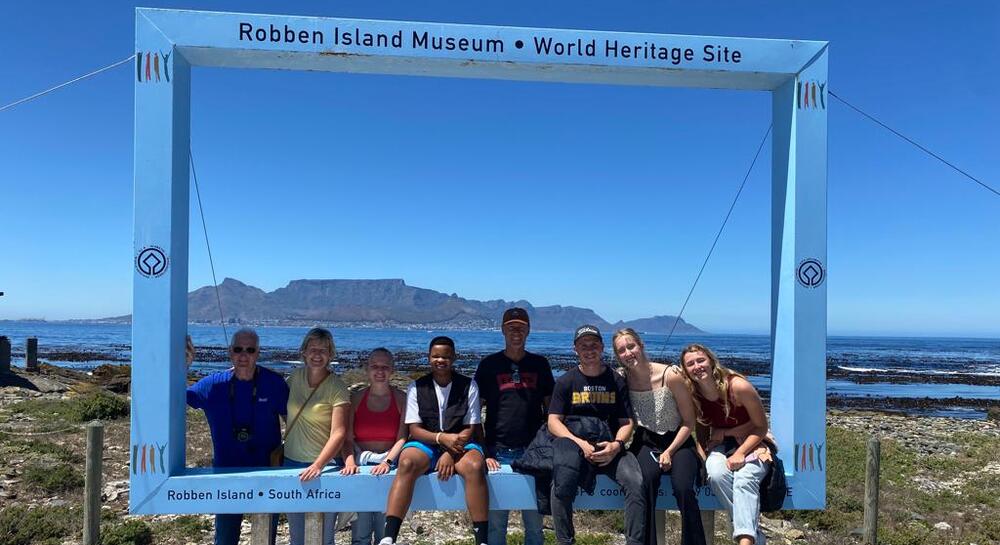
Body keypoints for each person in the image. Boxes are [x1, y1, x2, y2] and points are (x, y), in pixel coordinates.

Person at [379, 336, 489, 545]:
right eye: (436, 356)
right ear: (428, 358)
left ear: (454, 358)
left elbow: (470, 428)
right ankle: (389, 536)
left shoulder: (469, 386)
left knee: (475, 465)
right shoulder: (416, 387)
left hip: (461, 445)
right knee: (406, 462)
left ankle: (481, 540)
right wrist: (441, 438)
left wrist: (450, 452)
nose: (441, 360)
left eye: (446, 356)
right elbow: (415, 429)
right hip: (426, 443)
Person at [185, 329, 288, 545]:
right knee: (225, 539)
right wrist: (183, 367)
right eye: (238, 349)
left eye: (250, 350)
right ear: (230, 352)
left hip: (266, 475)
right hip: (226, 476)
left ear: (258, 353)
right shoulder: (213, 385)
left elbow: (296, 423)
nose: (244, 355)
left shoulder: (274, 384)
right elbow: (177, 397)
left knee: (265, 539)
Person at [547, 325, 645, 545]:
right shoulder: (566, 381)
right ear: (575, 350)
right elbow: (553, 422)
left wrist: (617, 446)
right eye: (584, 346)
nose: (589, 350)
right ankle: (565, 541)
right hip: (575, 446)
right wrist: (579, 443)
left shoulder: (616, 381)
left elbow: (627, 422)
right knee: (559, 486)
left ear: (602, 347)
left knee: (635, 482)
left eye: (594, 345)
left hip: (609, 446)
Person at [612, 329, 705, 545]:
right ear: (618, 356)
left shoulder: (670, 375)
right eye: (622, 350)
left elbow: (689, 422)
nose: (628, 353)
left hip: (678, 441)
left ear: (641, 345)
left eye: (631, 346)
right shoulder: (622, 378)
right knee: (644, 483)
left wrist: (670, 451)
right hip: (645, 441)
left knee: (683, 487)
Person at [474, 308, 554, 545]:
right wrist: (485, 451)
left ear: (528, 331)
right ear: (502, 331)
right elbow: (474, 413)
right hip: (497, 453)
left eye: (521, 327)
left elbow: (551, 412)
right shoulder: (489, 365)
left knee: (535, 525)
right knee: (497, 526)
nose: (516, 332)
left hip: (534, 454)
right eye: (511, 327)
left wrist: (549, 447)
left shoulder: (540, 364)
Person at [679, 344, 770, 545]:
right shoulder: (694, 394)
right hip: (722, 444)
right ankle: (754, 534)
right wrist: (702, 455)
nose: (697, 366)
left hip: (754, 441)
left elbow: (761, 426)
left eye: (700, 360)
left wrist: (741, 452)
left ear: (711, 361)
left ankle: (746, 540)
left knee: (744, 479)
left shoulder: (738, 387)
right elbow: (702, 427)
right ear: (685, 370)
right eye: (690, 364)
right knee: (716, 474)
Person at [283, 327, 352, 545]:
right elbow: (281, 408)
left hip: (323, 467)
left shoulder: (337, 387)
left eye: (323, 350)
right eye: (312, 349)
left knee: (323, 536)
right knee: (297, 535)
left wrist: (318, 465)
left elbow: (339, 432)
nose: (317, 354)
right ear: (303, 351)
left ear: (331, 355)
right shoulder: (294, 378)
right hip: (291, 462)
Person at [341, 347, 407, 545]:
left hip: (389, 468)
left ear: (392, 370)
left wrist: (387, 461)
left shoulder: (401, 399)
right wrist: (350, 461)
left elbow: (402, 437)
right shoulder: (356, 399)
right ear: (367, 369)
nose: (380, 371)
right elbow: (347, 438)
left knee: (384, 532)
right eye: (374, 366)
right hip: (361, 467)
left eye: (385, 367)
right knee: (360, 533)